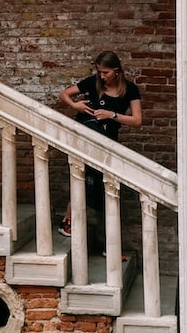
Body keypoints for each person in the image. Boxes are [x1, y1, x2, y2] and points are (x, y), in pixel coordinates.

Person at [56, 50, 142, 237]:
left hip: (108, 140)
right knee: (84, 175)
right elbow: (64, 94)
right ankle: (69, 221)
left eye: (106, 72)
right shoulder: (93, 83)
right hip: (86, 134)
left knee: (100, 183)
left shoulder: (130, 90)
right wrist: (75, 105)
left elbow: (137, 120)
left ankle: (101, 236)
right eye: (99, 72)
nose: (102, 76)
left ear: (117, 71)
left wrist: (111, 115)